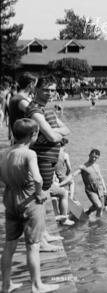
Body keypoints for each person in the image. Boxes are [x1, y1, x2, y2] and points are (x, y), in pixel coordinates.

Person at [0, 117, 61, 293]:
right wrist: (40, 192)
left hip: (10, 199)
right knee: (33, 245)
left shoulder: (4, 153)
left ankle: (5, 285)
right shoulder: (29, 153)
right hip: (29, 201)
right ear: (32, 135)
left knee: (9, 245)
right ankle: (37, 285)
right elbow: (37, 177)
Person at [70, 149, 107, 217]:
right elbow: (74, 174)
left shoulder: (97, 166)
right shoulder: (83, 166)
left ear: (98, 158)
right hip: (90, 190)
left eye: (96, 157)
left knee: (100, 207)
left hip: (100, 188)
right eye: (92, 156)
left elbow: (101, 178)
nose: (93, 158)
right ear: (89, 155)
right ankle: (96, 221)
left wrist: (105, 189)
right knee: (99, 206)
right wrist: (66, 181)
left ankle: (91, 216)